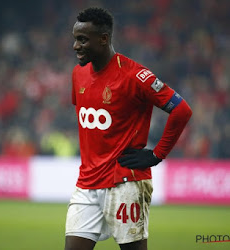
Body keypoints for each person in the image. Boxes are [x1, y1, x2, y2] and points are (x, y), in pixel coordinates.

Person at [65, 7, 192, 250]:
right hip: (87, 183)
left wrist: (157, 154)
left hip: (125, 183)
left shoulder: (135, 76)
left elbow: (182, 109)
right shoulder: (78, 74)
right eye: (75, 39)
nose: (75, 46)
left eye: (82, 39)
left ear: (103, 39)